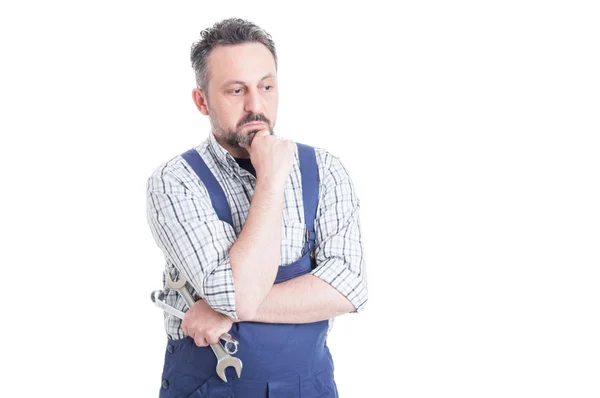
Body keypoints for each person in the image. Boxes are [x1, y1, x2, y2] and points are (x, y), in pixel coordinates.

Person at [146, 17, 368, 397]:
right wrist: (270, 180)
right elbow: (237, 295)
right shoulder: (175, 181)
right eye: (236, 91)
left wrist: (221, 311)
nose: (256, 105)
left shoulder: (325, 170)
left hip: (308, 386)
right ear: (202, 101)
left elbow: (348, 288)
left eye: (266, 86)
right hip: (208, 386)